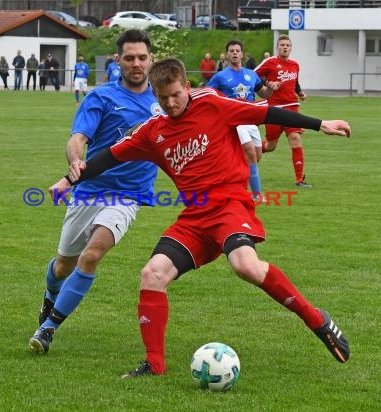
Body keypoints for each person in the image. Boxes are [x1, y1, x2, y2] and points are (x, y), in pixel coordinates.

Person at [43, 57, 351, 376]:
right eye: (163, 98)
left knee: (245, 266)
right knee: (152, 274)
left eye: (176, 94)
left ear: (186, 86)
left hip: (231, 204)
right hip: (195, 218)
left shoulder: (213, 103)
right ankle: (154, 365)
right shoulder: (152, 131)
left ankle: (316, 319)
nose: (171, 103)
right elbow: (107, 158)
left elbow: (265, 112)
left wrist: (320, 124)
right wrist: (68, 181)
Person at [28, 29, 161, 355]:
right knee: (63, 265)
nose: (136, 64)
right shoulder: (101, 97)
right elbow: (78, 139)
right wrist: (75, 162)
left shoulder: (164, 101)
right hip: (89, 191)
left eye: (142, 57)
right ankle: (50, 296)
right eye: (129, 58)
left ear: (151, 59)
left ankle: (48, 328)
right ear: (118, 61)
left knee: (92, 255)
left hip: (128, 196)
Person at [207, 39, 275, 203]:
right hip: (234, 122)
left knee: (256, 157)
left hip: (251, 120)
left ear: (242, 54)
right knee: (250, 154)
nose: (235, 53)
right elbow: (207, 96)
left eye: (237, 50)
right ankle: (256, 195)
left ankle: (229, 182)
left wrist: (270, 89)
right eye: (231, 51)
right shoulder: (220, 77)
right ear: (227, 54)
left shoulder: (251, 74)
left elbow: (263, 94)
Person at [255, 34, 311, 187]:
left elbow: (295, 82)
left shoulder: (295, 65)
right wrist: (268, 82)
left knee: (295, 139)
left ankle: (300, 179)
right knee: (270, 146)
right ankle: (248, 151)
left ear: (291, 48)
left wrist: (300, 93)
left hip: (292, 107)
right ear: (277, 47)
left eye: (287, 45)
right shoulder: (270, 62)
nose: (285, 47)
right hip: (274, 110)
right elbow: (252, 75)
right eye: (282, 45)